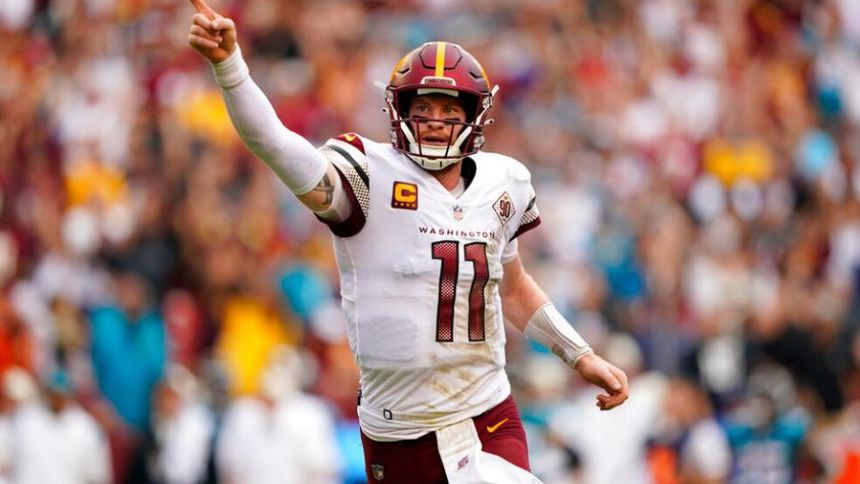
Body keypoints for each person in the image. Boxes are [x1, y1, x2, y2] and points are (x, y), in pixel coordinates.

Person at [186, 1, 629, 482]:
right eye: (422, 108)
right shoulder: (367, 176)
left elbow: (513, 285)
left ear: (474, 116)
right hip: (398, 432)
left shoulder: (504, 183)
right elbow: (274, 143)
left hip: (487, 413)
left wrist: (579, 354)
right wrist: (230, 67)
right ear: (399, 111)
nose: (435, 120)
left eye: (448, 108)